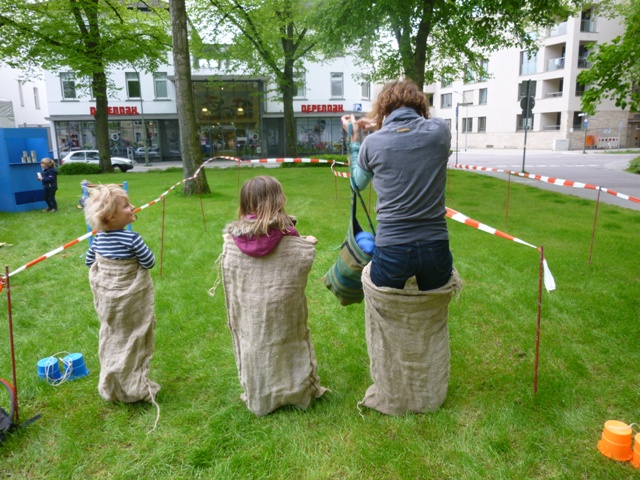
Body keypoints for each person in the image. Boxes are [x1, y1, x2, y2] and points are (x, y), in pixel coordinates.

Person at [220, 176, 325, 416]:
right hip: (281, 302)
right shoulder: (286, 230)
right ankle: (294, 389)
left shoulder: (235, 237)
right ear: (278, 200)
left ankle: (262, 392)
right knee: (287, 340)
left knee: (256, 344)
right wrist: (307, 242)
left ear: (245, 203)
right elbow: (295, 255)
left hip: (250, 303)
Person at [341, 78, 453, 291]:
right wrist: (379, 123)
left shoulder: (372, 143)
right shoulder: (439, 131)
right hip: (435, 245)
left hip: (392, 247)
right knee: (432, 313)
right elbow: (411, 127)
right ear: (420, 104)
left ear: (383, 108)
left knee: (385, 313)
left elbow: (357, 184)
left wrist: (354, 139)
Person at [84, 184, 160, 405]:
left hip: (108, 302)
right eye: (126, 206)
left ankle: (113, 385)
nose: (133, 207)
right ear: (111, 216)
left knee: (114, 336)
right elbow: (149, 262)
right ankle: (134, 387)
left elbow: (90, 262)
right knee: (134, 336)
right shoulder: (132, 239)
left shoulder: (97, 239)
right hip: (130, 299)